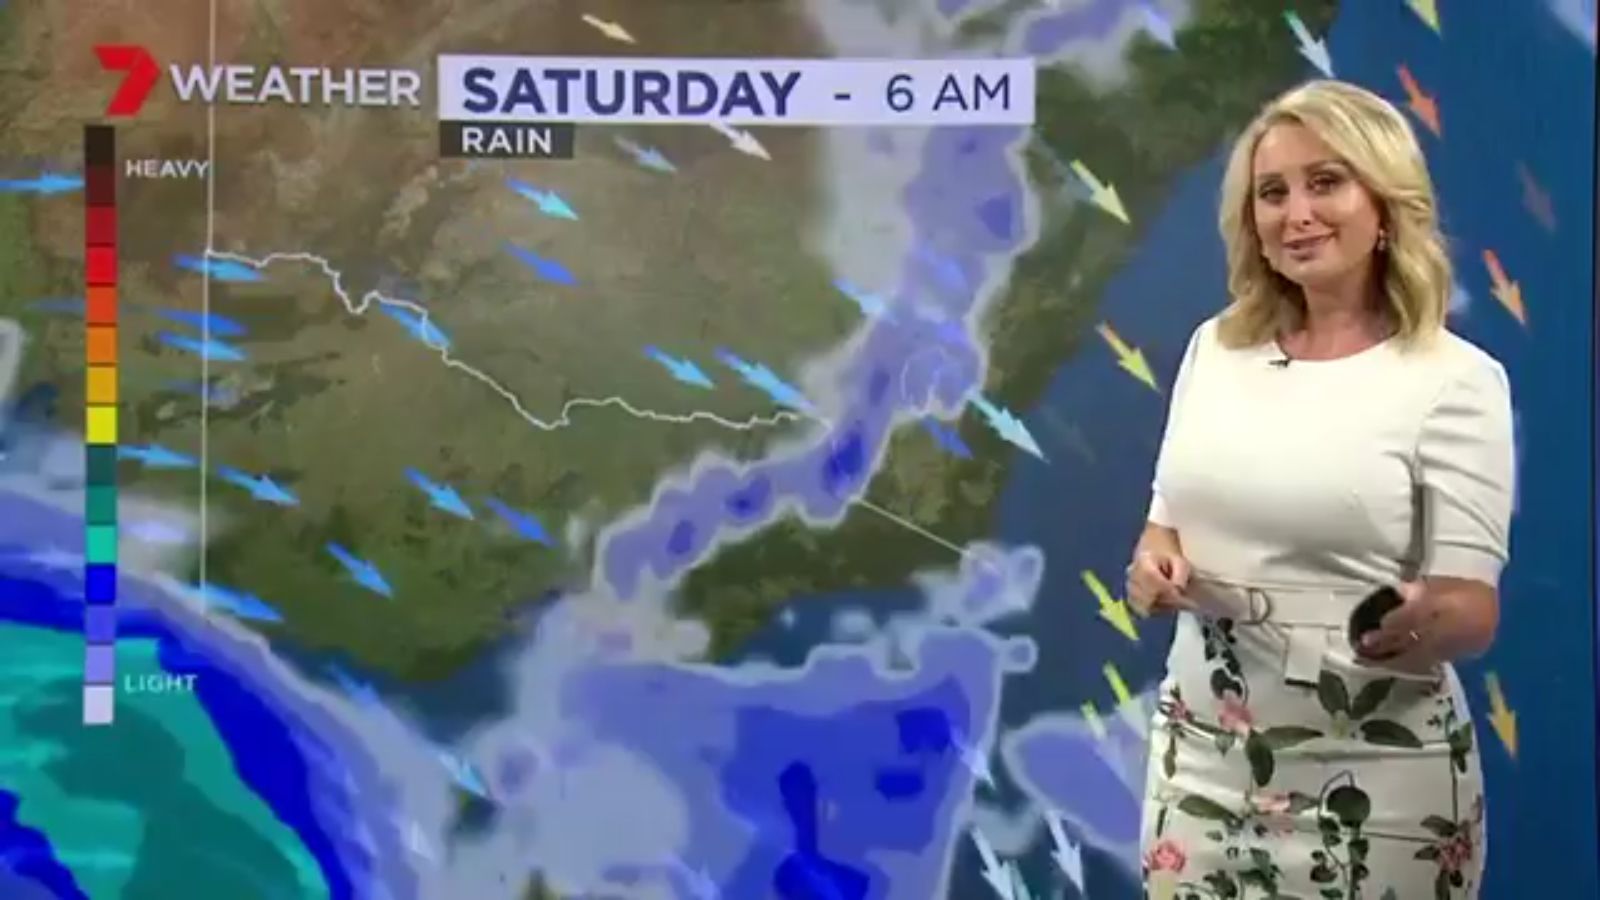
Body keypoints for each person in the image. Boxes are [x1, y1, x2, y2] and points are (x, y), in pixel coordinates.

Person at [1127, 79, 1515, 900]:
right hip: (1202, 764)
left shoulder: (1456, 381)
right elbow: (1164, 531)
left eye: (1325, 183)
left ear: (1385, 205)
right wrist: (1152, 572)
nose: (1296, 213)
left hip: (1381, 773)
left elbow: (1471, 609)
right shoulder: (1215, 350)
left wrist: (1420, 617)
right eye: (1273, 193)